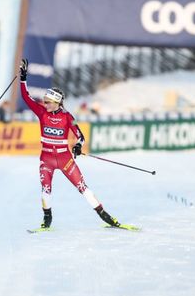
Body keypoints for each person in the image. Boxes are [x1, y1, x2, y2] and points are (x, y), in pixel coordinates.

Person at [19, 58, 121, 229]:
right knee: (45, 189)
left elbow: (80, 135)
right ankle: (47, 218)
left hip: (65, 158)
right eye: (44, 101)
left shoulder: (67, 117)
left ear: (57, 102)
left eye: (48, 101)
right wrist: (23, 78)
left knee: (83, 187)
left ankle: (105, 215)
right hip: (47, 159)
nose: (45, 104)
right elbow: (25, 97)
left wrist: (78, 145)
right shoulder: (42, 112)